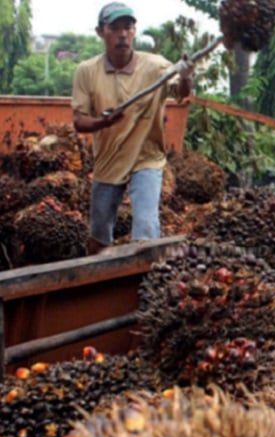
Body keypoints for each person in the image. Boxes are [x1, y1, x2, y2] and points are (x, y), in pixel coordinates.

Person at [72, 2, 194, 255]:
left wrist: (186, 77)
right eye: (114, 28)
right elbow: (79, 121)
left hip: (146, 158)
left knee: (147, 229)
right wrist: (104, 122)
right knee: (99, 233)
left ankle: (146, 284)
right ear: (100, 32)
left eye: (127, 27)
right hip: (109, 160)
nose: (122, 34)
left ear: (135, 31)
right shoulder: (86, 71)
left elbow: (181, 95)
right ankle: (98, 283)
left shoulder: (156, 67)